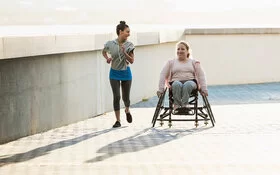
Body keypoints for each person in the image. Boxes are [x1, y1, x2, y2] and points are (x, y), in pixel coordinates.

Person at [157, 41, 208, 113]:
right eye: (178, 49)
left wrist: (204, 89)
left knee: (187, 84)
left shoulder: (193, 62)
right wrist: (160, 89)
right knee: (176, 84)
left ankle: (185, 105)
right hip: (175, 82)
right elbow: (162, 74)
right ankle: (177, 105)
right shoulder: (171, 62)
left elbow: (201, 75)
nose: (180, 51)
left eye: (182, 49)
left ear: (187, 51)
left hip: (191, 82)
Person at [102, 21, 135, 128]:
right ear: (120, 32)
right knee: (116, 97)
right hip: (114, 73)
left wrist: (125, 53)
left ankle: (127, 110)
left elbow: (132, 61)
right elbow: (103, 51)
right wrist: (107, 58)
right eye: (127, 32)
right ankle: (118, 120)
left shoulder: (130, 45)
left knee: (126, 98)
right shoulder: (110, 44)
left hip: (126, 73)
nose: (129, 34)